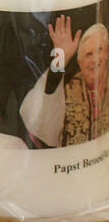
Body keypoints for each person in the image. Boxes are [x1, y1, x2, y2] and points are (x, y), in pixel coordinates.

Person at [20, 18, 108, 147]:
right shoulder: (65, 93)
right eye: (88, 54)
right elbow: (40, 116)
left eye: (100, 50)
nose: (96, 59)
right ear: (80, 63)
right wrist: (61, 58)